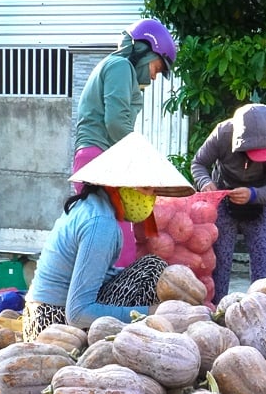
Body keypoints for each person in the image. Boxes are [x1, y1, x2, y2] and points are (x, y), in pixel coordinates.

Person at [22, 131, 195, 339]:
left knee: (150, 267)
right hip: (53, 325)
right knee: (151, 269)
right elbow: (78, 313)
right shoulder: (100, 224)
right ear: (121, 184)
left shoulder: (91, 206)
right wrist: (149, 313)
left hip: (42, 315)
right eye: (146, 189)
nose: (150, 198)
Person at [71, 18, 178, 268]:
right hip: (99, 157)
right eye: (157, 68)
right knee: (118, 237)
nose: (154, 77)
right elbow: (117, 123)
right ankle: (115, 298)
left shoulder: (117, 68)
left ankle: (101, 295)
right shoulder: (120, 66)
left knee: (104, 231)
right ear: (145, 50)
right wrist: (141, 165)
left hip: (97, 156)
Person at [190, 103, 266, 303]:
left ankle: (260, 307)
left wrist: (253, 194)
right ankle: (216, 309)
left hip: (262, 198)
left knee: (262, 261)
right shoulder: (223, 134)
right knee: (219, 260)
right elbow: (198, 163)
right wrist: (206, 183)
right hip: (225, 196)